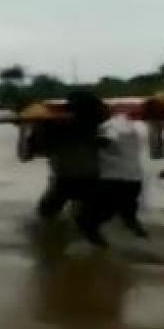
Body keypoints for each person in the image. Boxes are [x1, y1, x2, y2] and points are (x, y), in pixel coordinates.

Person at [30, 92, 106, 244]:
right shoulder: (97, 127)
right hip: (92, 178)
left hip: (66, 179)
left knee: (46, 218)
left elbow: (32, 153)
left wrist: (34, 127)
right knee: (85, 221)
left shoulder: (54, 126)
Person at [75, 108, 148, 241]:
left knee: (86, 221)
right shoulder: (134, 126)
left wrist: (82, 139)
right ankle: (150, 247)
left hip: (113, 181)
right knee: (128, 219)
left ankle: (101, 253)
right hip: (134, 179)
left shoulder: (110, 125)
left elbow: (106, 141)